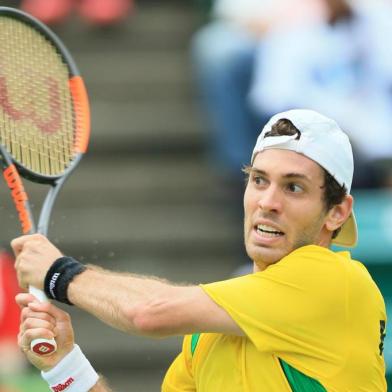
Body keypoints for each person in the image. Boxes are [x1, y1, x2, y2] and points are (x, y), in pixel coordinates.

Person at [13, 109, 387, 391]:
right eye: (259, 180)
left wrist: (58, 272)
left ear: (337, 213)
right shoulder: (207, 337)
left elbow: (148, 313)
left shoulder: (335, 281)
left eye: (293, 188)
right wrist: (64, 364)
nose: (267, 202)